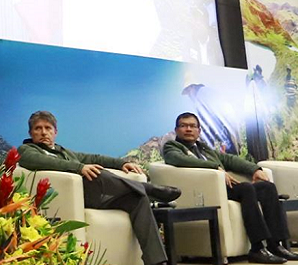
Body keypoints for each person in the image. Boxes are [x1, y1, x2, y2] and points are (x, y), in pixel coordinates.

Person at [18, 111, 179, 265]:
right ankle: (147, 188)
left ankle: (156, 261)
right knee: (96, 173)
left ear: (55, 132)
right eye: (38, 128)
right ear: (31, 133)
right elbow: (37, 161)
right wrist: (79, 167)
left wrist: (121, 163)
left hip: (93, 195)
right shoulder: (27, 150)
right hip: (70, 199)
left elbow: (94, 157)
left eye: (48, 128)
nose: (43, 133)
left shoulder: (63, 151)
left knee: (137, 199)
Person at [163, 112, 298, 264]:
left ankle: (276, 245)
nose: (188, 129)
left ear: (199, 130)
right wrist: (215, 168)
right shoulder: (172, 147)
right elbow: (178, 159)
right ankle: (257, 248)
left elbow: (230, 159)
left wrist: (255, 169)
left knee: (267, 187)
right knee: (246, 188)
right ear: (176, 130)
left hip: (226, 188)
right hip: (207, 190)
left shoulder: (203, 148)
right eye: (183, 126)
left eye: (193, 126)